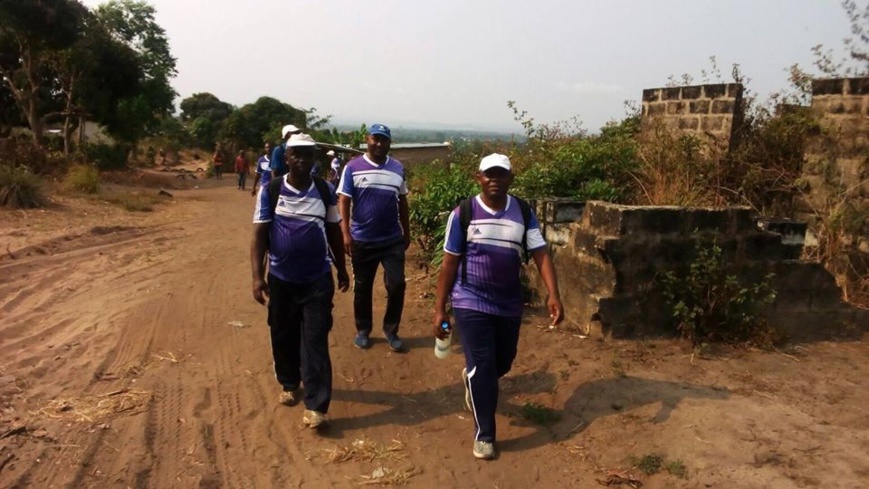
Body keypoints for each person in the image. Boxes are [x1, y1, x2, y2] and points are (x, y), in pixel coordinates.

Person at [432, 153, 564, 460]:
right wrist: (441, 308)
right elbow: (449, 263)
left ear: (510, 179)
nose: (494, 179)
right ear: (479, 177)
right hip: (470, 299)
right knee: (485, 365)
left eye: (500, 174)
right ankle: (485, 435)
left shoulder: (522, 211)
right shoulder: (464, 213)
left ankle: (472, 377)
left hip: (508, 301)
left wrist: (553, 294)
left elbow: (540, 253)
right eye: (489, 174)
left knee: (503, 362)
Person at [251, 133, 350, 429]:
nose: (303, 160)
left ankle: (317, 406)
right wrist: (257, 276)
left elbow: (334, 230)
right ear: (287, 157)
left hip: (317, 279)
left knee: (315, 340)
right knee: (283, 333)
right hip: (281, 278)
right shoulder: (271, 190)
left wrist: (342, 269)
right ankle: (290, 381)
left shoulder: (324, 190)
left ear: (314, 158)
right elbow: (258, 234)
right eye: (297, 154)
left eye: (308, 155)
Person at [338, 123, 410, 352]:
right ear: (367, 139)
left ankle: (391, 329)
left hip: (391, 239)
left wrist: (407, 232)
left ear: (390, 143)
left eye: (384, 140)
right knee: (362, 287)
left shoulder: (397, 168)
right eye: (375, 139)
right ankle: (363, 329)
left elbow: (403, 202)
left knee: (397, 284)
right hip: (362, 240)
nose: (379, 143)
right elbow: (344, 200)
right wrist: (346, 233)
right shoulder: (352, 167)